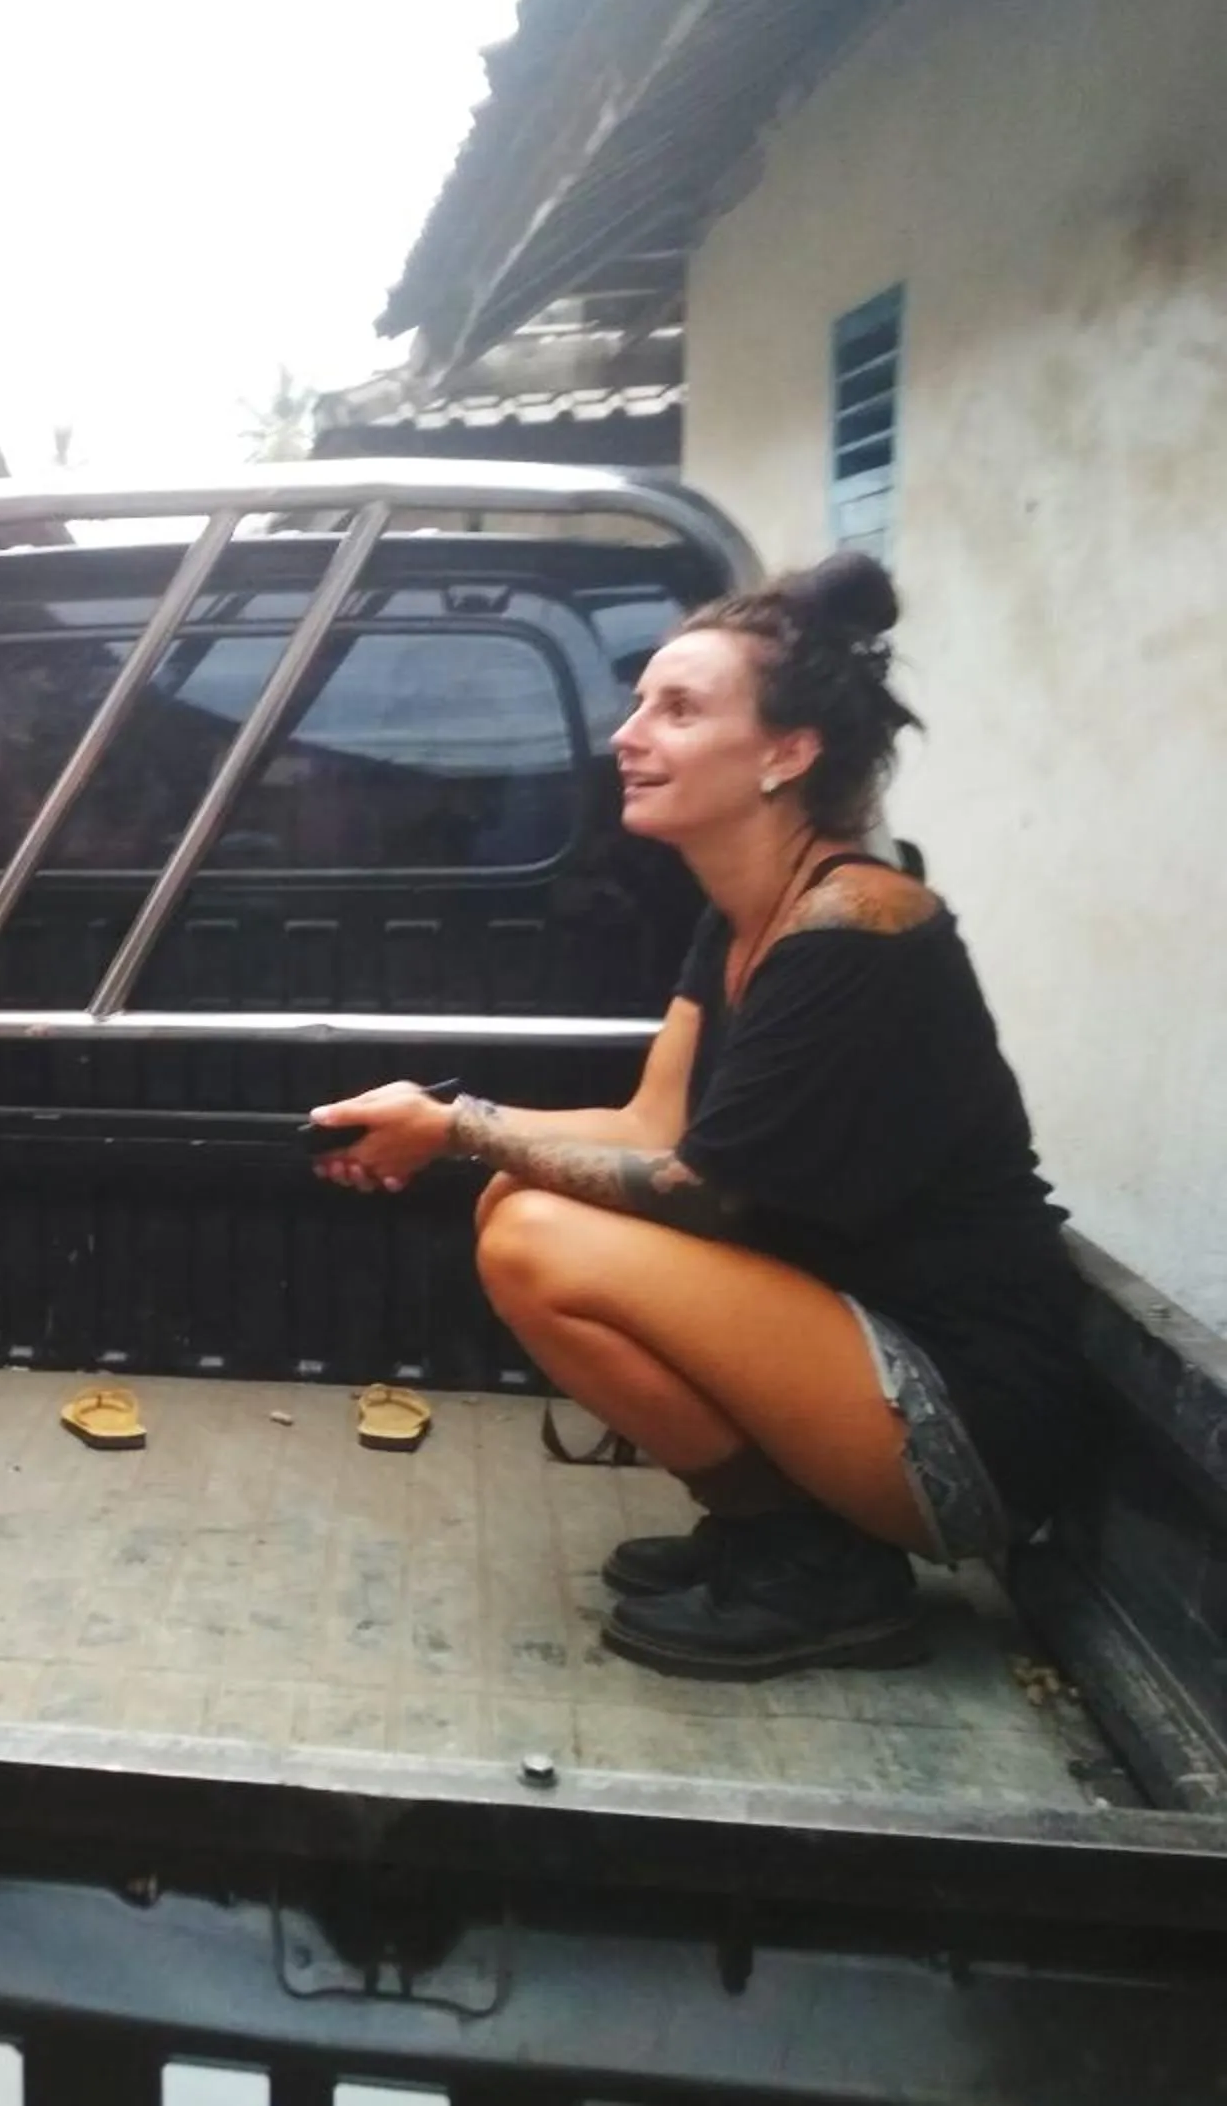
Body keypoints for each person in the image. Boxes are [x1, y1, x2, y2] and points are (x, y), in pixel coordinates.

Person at [306, 554, 1097, 1680]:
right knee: (514, 1199)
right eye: (639, 705)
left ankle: (819, 1572)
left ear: (788, 752)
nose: (627, 734)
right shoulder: (741, 917)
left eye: (677, 710)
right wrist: (436, 1121)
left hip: (963, 1415)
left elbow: (702, 1191)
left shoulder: (859, 928)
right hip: (854, 1359)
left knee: (532, 1227)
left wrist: (462, 1127)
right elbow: (648, 1125)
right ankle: (780, 1536)